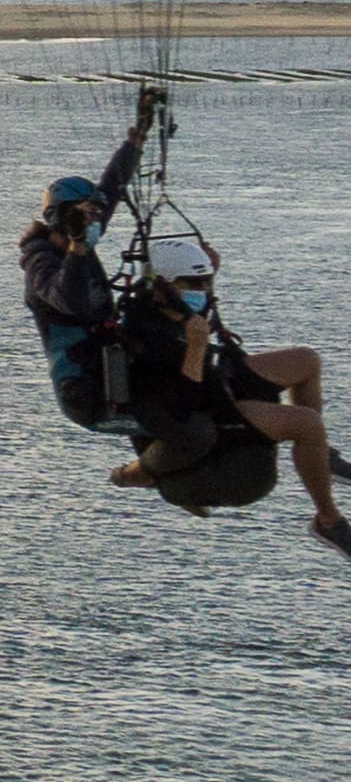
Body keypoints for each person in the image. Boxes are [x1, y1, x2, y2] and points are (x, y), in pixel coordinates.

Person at [110, 230, 351, 558]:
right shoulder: (144, 337)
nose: (204, 291)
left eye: (207, 282)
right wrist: (196, 348)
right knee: (306, 424)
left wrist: (207, 272)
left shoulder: (174, 308)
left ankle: (320, 456)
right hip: (208, 410)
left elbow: (197, 309)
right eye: (194, 284)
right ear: (162, 287)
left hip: (217, 379)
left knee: (306, 360)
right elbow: (183, 410)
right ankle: (328, 520)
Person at [20, 99, 154, 431]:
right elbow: (69, 300)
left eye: (96, 214)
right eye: (86, 215)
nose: (95, 221)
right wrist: (78, 247)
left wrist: (136, 140)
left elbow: (113, 185)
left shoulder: (80, 237)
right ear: (62, 218)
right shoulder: (41, 263)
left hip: (111, 367)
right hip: (83, 391)